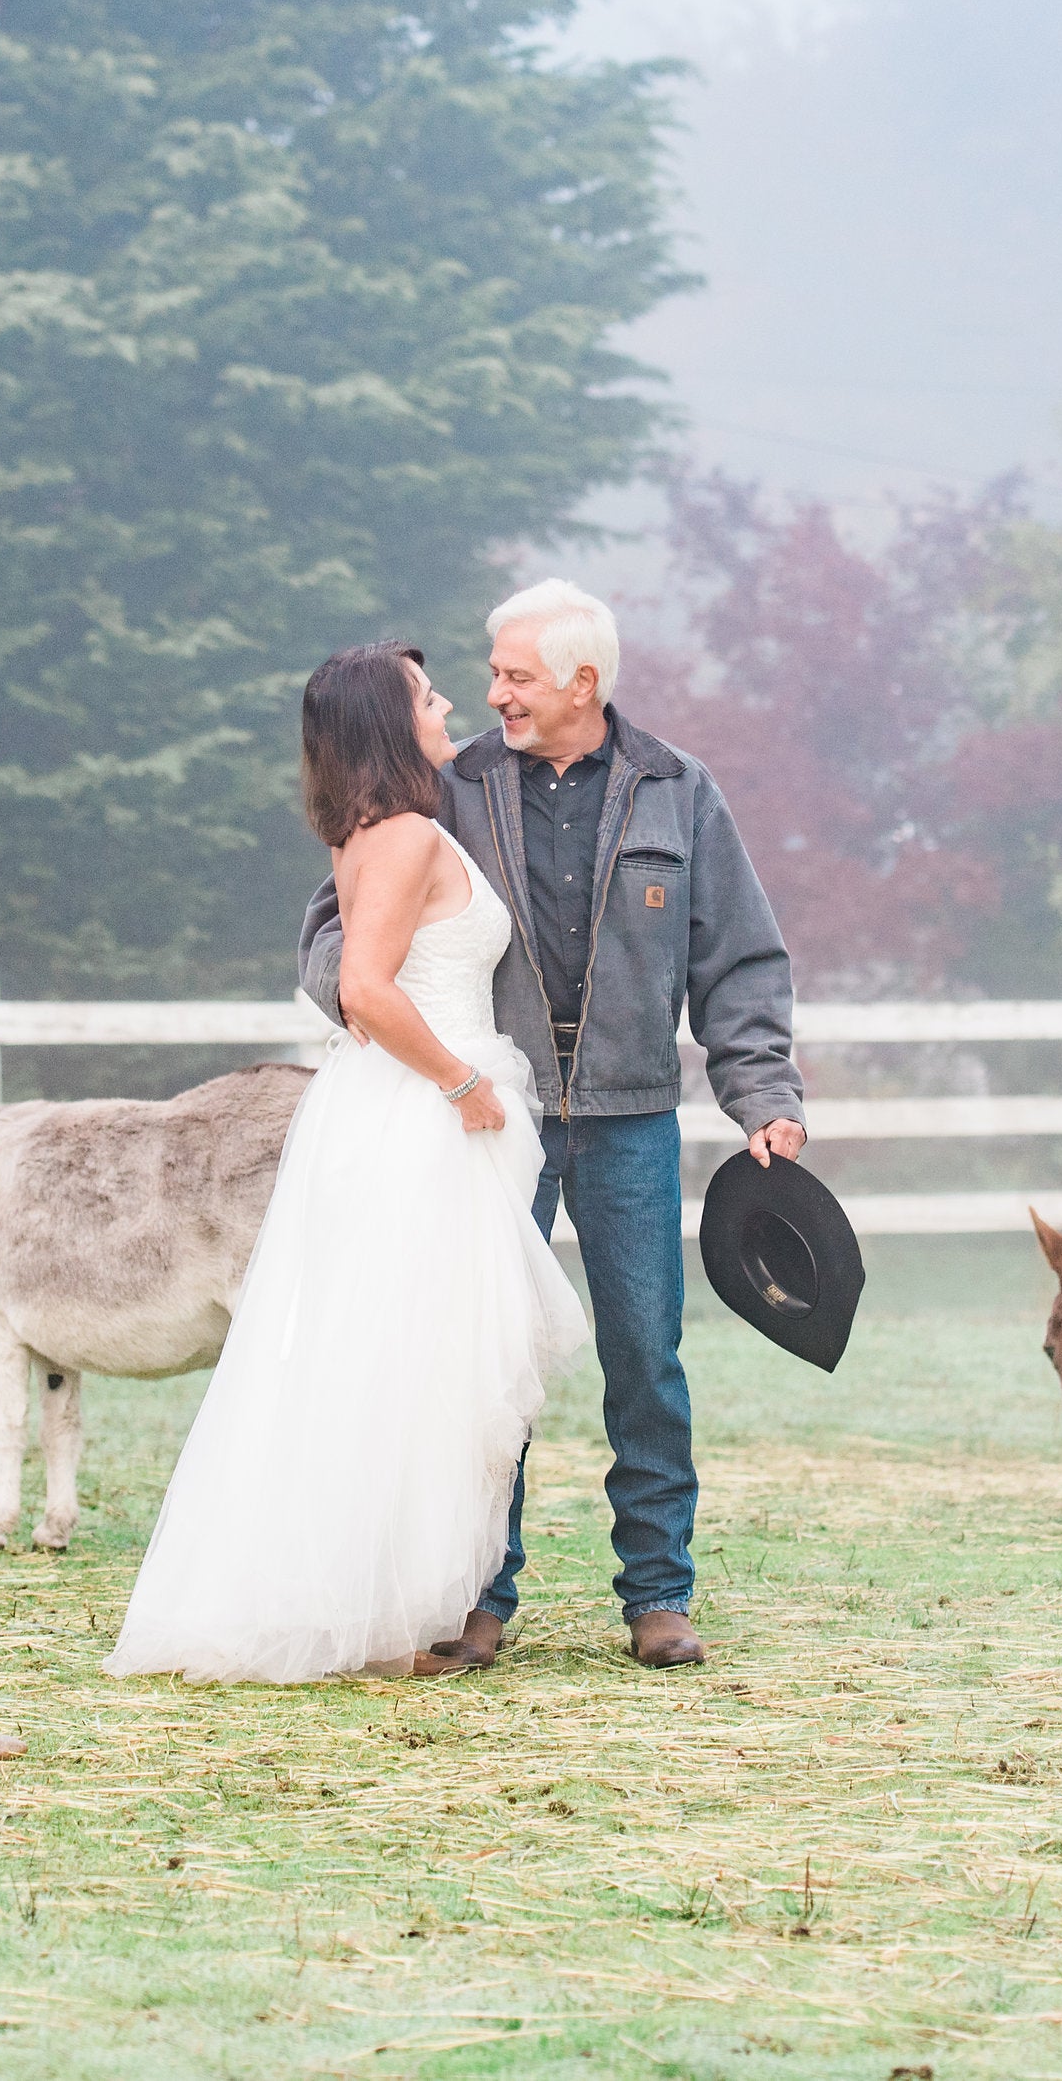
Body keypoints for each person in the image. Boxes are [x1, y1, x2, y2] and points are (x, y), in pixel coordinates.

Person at [299, 580, 806, 1671]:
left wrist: (763, 1100)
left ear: (584, 682)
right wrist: (381, 1034)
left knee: (645, 1358)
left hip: (633, 1124)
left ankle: (658, 1596)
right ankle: (476, 1594)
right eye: (489, 678)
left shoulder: (680, 792)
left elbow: (742, 965)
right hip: (490, 1121)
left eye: (517, 677)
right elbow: (340, 937)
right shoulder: (450, 785)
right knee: (476, 1363)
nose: (495, 697)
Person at [106, 644, 589, 1684]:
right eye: (426, 694)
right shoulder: (408, 836)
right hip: (418, 1119)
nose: (449, 702)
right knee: (406, 1368)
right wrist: (462, 1085)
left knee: (377, 1361)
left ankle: (372, 1613)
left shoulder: (368, 836)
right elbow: (364, 988)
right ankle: (365, 1623)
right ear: (386, 721)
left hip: (390, 1111)